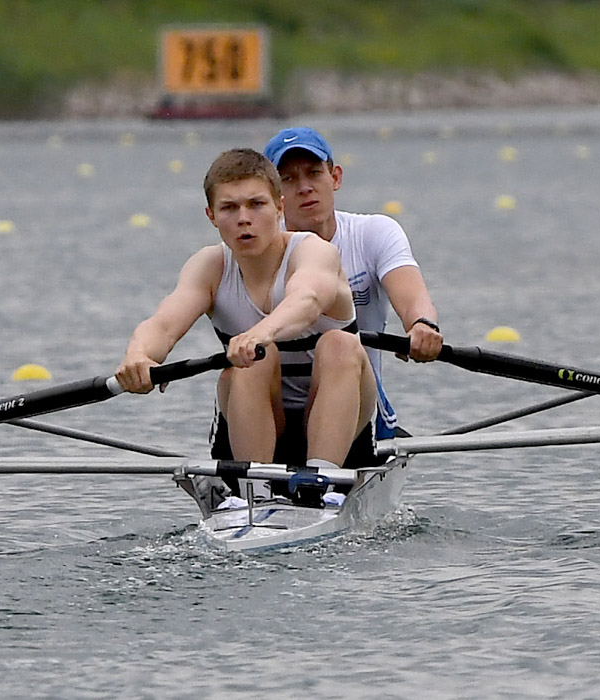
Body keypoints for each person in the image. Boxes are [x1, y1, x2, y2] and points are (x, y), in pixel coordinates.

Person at [115, 148, 375, 501]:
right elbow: (162, 325)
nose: (243, 218)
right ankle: (257, 497)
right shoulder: (209, 266)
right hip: (255, 420)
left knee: (339, 345)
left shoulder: (312, 251)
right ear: (211, 215)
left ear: (280, 207)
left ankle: (322, 485)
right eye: (229, 208)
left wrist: (259, 333)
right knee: (254, 360)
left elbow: (308, 299)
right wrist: (139, 357)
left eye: (256, 204)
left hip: (341, 426)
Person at [262, 126, 444, 441]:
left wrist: (421, 324)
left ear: (335, 177)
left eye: (314, 173)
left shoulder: (374, 233)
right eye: (288, 179)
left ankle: (323, 471)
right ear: (271, 197)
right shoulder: (255, 248)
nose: (305, 187)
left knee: (338, 345)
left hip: (355, 408)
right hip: (271, 411)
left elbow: (412, 295)